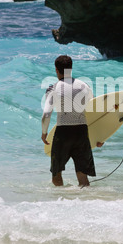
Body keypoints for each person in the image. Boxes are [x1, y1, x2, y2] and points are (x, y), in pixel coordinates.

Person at [41, 55, 102, 187]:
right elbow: (94, 111)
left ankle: (61, 202)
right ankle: (86, 201)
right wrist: (100, 136)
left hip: (63, 132)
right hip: (81, 131)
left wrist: (44, 133)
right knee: (82, 173)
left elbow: (46, 114)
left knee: (56, 173)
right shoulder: (84, 86)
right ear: (71, 68)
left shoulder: (53, 88)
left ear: (56, 70)